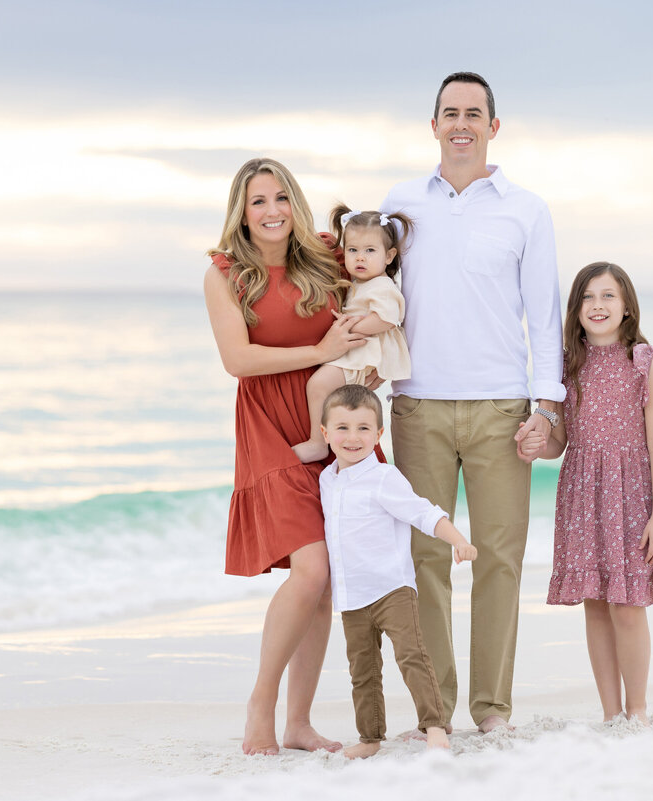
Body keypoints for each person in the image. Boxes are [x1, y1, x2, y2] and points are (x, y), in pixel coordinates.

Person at [380, 71, 565, 733]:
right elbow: (373, 292)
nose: (461, 122)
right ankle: (435, 714)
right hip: (417, 406)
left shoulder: (527, 209)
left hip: (502, 410)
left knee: (497, 559)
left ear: (494, 127)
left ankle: (492, 711)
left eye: (474, 112)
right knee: (425, 560)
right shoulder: (401, 203)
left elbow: (544, 316)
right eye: (450, 112)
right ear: (433, 126)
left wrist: (546, 409)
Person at [203, 157, 381, 756]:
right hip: (268, 427)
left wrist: (372, 365)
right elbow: (238, 360)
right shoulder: (227, 274)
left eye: (281, 197)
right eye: (259, 201)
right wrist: (318, 348)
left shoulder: (331, 257)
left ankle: (299, 724)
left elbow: (377, 303)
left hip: (332, 421)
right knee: (309, 568)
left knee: (325, 580)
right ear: (241, 212)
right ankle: (261, 704)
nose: (273, 210)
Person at [520, 262, 653, 722]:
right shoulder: (565, 365)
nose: (597, 306)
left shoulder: (646, 361)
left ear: (626, 306)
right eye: (588, 298)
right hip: (582, 496)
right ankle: (610, 714)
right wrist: (538, 445)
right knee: (596, 606)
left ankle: (637, 710)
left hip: (633, 497)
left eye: (608, 297)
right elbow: (561, 443)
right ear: (575, 308)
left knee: (628, 605)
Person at [318, 384, 476, 758]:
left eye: (363, 428)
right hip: (352, 595)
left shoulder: (384, 478)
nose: (352, 437)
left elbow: (423, 512)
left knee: (412, 657)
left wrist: (457, 540)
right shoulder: (327, 479)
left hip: (392, 588)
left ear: (378, 434)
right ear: (325, 433)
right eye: (342, 428)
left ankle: (434, 726)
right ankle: (370, 738)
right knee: (363, 669)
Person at [292, 207, 414, 464]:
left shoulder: (382, 286)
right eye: (353, 250)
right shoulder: (362, 283)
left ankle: (317, 443)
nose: (360, 257)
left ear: (389, 256)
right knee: (341, 402)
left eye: (370, 251)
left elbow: (386, 318)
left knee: (318, 385)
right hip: (359, 350)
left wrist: (350, 326)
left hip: (363, 351)